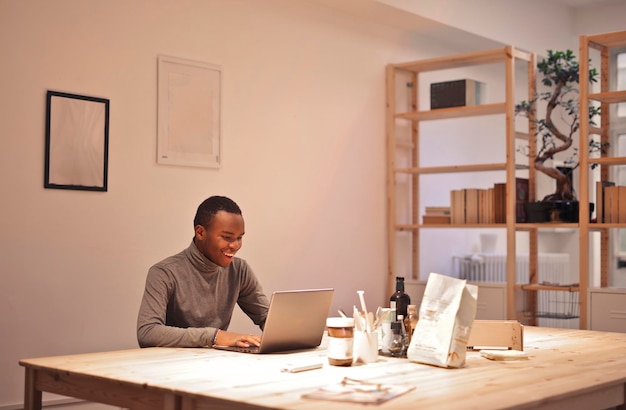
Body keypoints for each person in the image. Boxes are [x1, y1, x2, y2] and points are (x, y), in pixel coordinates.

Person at [137, 195, 269, 348]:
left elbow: (268, 318)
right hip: (172, 364)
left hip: (213, 362)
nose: (235, 245)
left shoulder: (239, 270)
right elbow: (147, 332)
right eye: (227, 237)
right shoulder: (164, 272)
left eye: (239, 238)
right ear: (200, 232)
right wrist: (214, 336)